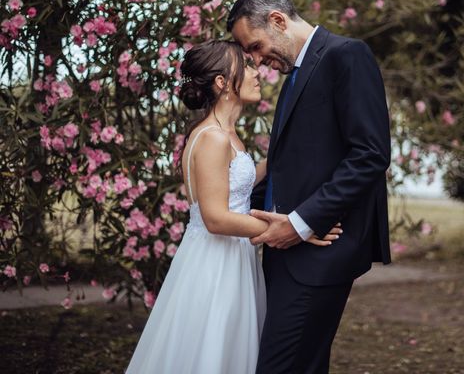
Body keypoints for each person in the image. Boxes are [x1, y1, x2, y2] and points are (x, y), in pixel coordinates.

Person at [125, 40, 340, 374]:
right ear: (222, 82)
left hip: (232, 257)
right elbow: (215, 217)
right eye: (247, 66)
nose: (257, 72)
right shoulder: (212, 137)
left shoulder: (226, 134)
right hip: (215, 263)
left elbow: (238, 185)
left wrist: (294, 155)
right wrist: (292, 227)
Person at [228, 0, 392, 373]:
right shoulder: (297, 73)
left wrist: (301, 224)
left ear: (278, 21)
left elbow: (370, 154)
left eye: (253, 45)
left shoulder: (346, 56)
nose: (255, 59)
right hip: (286, 252)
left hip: (320, 251)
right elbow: (291, 165)